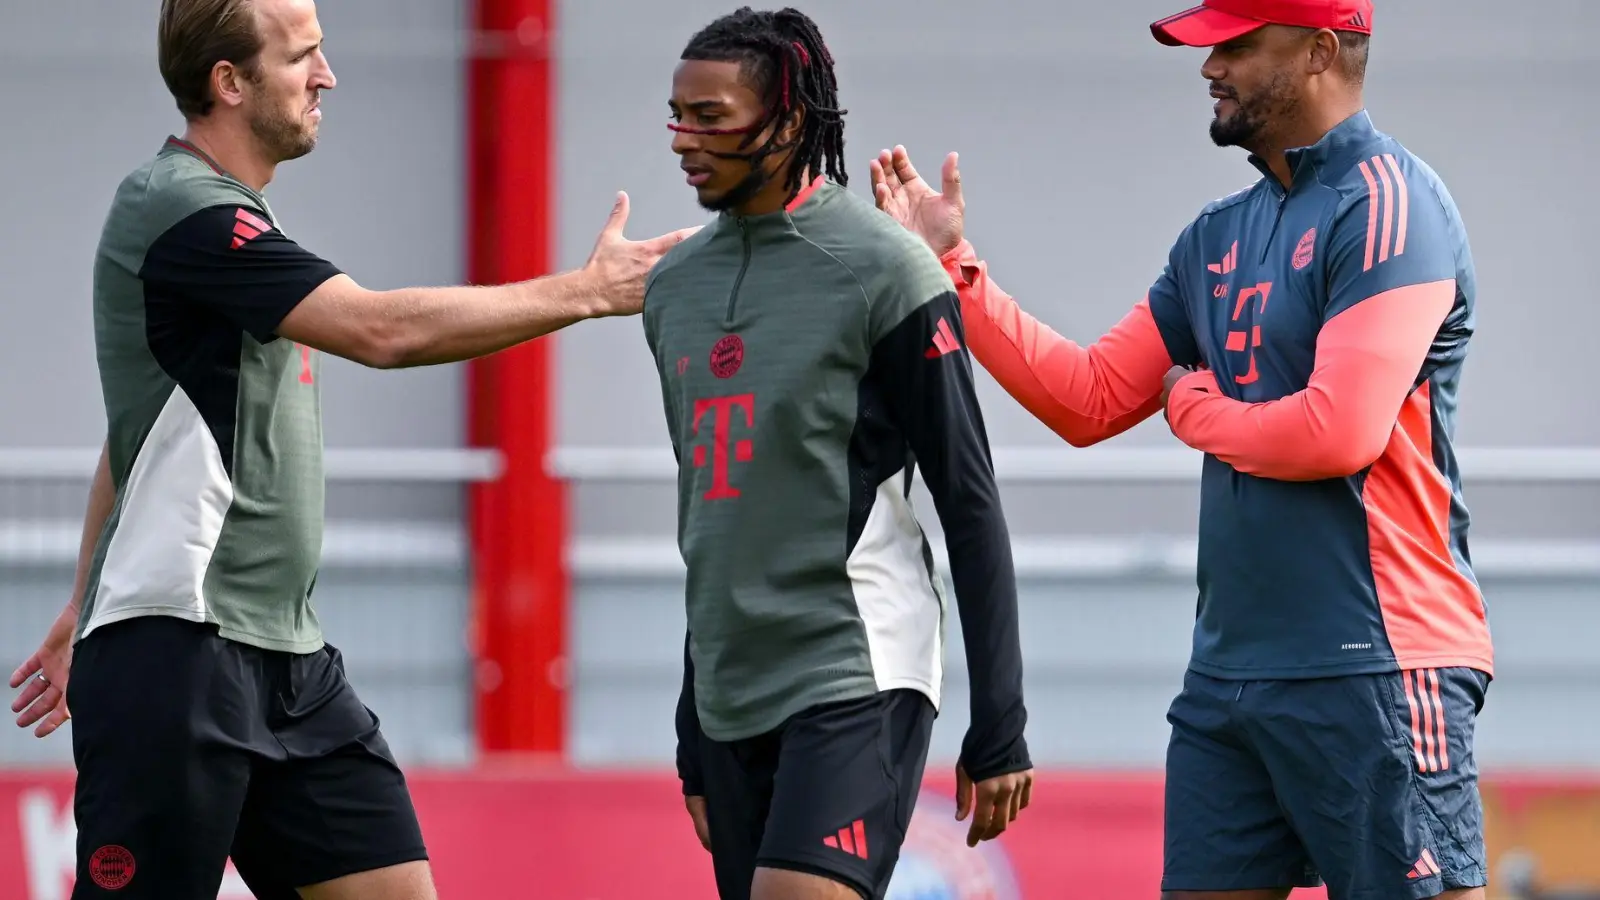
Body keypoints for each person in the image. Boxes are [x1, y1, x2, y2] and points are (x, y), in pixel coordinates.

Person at [5, 0, 692, 897]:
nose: (327, 77)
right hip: (178, 658)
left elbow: (130, 439)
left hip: (289, 662)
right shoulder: (180, 209)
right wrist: (588, 292)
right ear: (229, 83)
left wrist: (82, 599)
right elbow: (379, 330)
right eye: (303, 58)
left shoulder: (233, 222)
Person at [870, 2, 1491, 899]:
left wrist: (1193, 410)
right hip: (1228, 680)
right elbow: (1085, 399)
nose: (1210, 65)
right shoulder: (1216, 235)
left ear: (1320, 49)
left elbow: (1337, 433)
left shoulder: (1394, 205)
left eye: (1236, 44)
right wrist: (954, 267)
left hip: (1379, 665)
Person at [644, 7, 1034, 899]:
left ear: (785, 122)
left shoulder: (888, 270)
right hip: (730, 695)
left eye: (711, 117)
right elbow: (712, 515)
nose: (683, 140)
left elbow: (968, 498)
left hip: (856, 667)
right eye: (677, 114)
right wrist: (690, 733)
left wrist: (1000, 719)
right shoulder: (671, 290)